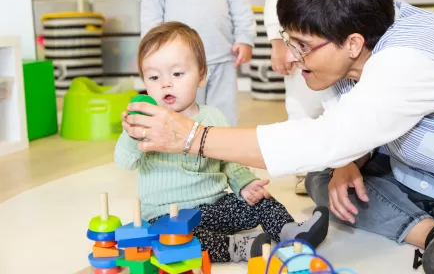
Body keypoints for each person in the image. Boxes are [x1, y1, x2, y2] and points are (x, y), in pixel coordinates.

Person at [123, 0, 434, 274]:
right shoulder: (360, 42)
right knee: (326, 178)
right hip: (426, 172)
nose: (291, 58)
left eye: (302, 46)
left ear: (353, 43)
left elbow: (323, 139)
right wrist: (347, 161)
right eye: (288, 41)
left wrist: (191, 137)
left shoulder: (406, 62)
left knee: (326, 165)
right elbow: (344, 132)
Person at [114, 22, 329, 263]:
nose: (166, 83)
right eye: (154, 77)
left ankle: (290, 231)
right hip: (167, 215)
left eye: (177, 74)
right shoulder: (147, 123)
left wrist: (245, 184)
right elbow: (124, 161)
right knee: (174, 240)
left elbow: (230, 162)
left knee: (261, 200)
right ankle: (238, 248)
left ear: (201, 75)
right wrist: (131, 136)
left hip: (217, 205)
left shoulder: (213, 117)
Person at [264, 0, 355, 195]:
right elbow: (276, 0)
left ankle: (341, 158)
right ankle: (305, 167)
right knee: (302, 108)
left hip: (336, 48)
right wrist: (278, 43)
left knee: (340, 105)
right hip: (302, 49)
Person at [140, 0, 256, 126]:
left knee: (225, 113)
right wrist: (150, 50)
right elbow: (151, 11)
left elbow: (238, 2)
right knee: (183, 111)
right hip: (178, 63)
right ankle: (184, 147)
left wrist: (244, 37)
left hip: (222, 54)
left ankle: (224, 147)